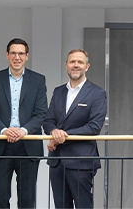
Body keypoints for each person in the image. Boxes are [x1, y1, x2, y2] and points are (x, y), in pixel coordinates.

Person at [0, 38, 48, 209]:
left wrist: (23, 131)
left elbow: (41, 113)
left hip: (28, 145)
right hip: (1, 146)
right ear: (7, 55)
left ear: (27, 56)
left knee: (27, 199)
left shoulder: (38, 80)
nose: (17, 57)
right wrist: (5, 130)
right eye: (13, 53)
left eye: (21, 53)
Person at [42, 49, 107, 209]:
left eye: (80, 62)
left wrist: (61, 136)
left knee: (83, 205)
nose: (75, 65)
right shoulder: (58, 92)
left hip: (81, 161)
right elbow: (48, 121)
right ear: (66, 66)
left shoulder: (97, 93)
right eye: (72, 62)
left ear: (87, 66)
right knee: (61, 206)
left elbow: (94, 127)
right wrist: (53, 131)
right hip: (57, 161)